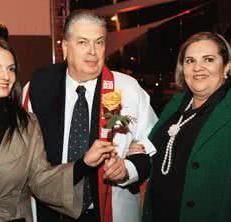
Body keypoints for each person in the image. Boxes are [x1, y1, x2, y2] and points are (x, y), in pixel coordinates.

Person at [0, 36, 114, 222]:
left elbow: (41, 181)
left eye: (11, 69)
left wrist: (83, 164)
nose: (6, 76)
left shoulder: (28, 124)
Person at [24, 9, 158, 222]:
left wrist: (127, 169)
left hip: (108, 208)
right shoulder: (38, 89)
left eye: (99, 42)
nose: (93, 52)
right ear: (65, 48)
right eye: (83, 42)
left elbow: (152, 147)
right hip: (52, 208)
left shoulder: (127, 89)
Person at [142, 32, 231, 222]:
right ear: (182, 68)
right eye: (189, 61)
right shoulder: (175, 104)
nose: (198, 68)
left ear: (226, 66)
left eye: (209, 59)